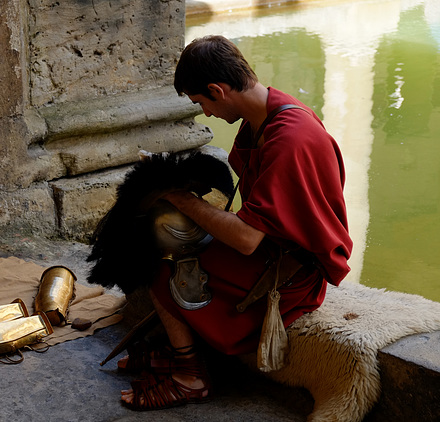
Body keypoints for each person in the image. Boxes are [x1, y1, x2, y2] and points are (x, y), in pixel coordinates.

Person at [119, 35, 353, 410]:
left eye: (202, 103)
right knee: (157, 244)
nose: (206, 114)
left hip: (292, 275)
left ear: (217, 89)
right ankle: (177, 353)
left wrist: (179, 198)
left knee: (166, 274)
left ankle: (189, 375)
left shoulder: (289, 137)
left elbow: (246, 239)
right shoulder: (262, 117)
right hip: (271, 247)